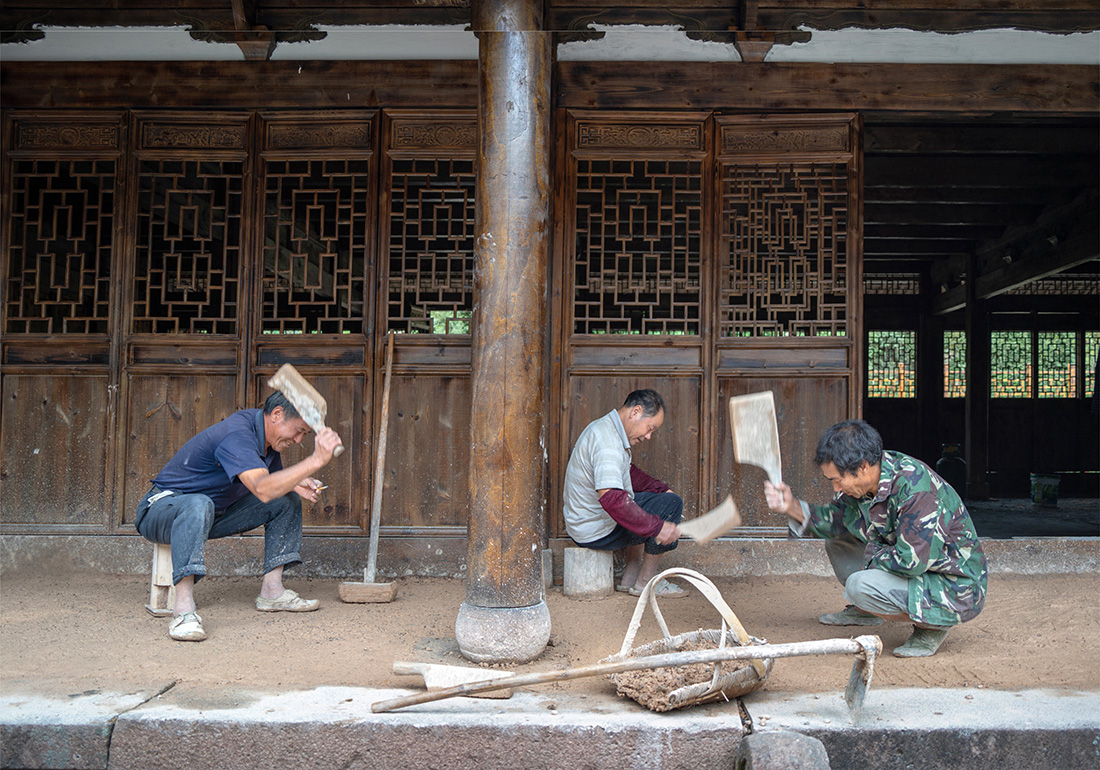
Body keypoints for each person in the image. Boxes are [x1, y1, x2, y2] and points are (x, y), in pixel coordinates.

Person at [764, 419, 987, 657]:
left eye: (837, 480)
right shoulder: (868, 479)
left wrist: (869, 564)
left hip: (955, 587)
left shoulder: (916, 490)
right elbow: (837, 522)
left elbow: (910, 562)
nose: (836, 488)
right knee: (840, 539)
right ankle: (869, 610)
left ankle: (932, 624)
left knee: (859, 585)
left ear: (862, 467)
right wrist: (791, 507)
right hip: (914, 566)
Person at [135, 391, 343, 642]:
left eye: (305, 435)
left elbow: (271, 487)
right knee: (198, 503)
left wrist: (296, 482)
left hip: (212, 513)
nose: (299, 440)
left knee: (286, 498)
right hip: (162, 510)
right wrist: (315, 461)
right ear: (277, 415)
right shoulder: (237, 434)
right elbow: (263, 488)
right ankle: (183, 611)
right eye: (298, 431)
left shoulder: (265, 439)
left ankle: (272, 592)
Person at [562, 389, 686, 598]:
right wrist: (657, 527)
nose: (648, 436)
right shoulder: (607, 441)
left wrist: (660, 488)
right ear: (636, 412)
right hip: (594, 531)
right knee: (670, 504)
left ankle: (631, 576)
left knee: (654, 499)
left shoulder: (606, 429)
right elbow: (612, 499)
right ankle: (646, 583)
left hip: (586, 523)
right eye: (650, 428)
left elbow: (628, 473)